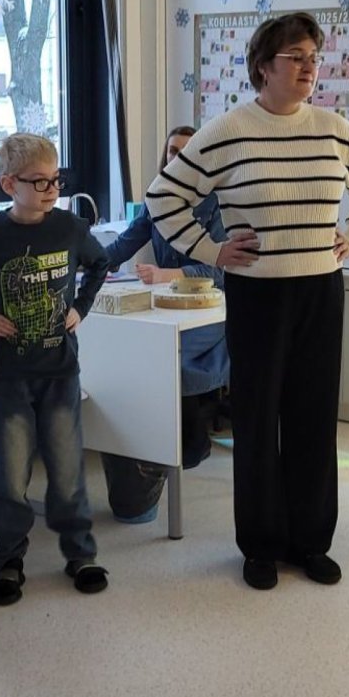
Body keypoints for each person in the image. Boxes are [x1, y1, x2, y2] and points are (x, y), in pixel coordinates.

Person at [145, 12, 349, 590]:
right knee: (257, 421)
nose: (309, 67)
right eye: (295, 57)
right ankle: (259, 545)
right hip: (257, 293)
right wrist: (212, 249)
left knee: (313, 418)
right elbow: (164, 197)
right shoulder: (228, 130)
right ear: (262, 66)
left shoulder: (334, 129)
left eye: (314, 58)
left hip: (320, 290)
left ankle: (310, 541)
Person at [0, 133, 111, 606]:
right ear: (9, 184)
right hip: (7, 375)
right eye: (39, 182)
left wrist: (81, 308)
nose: (51, 190)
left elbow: (99, 264)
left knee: (67, 470)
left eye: (56, 180)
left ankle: (80, 554)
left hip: (59, 371)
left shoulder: (69, 228)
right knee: (8, 474)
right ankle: (7, 560)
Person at [100, 125, 229, 524]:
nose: (178, 158)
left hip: (209, 310)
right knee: (132, 350)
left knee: (162, 358)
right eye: (172, 151)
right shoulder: (157, 198)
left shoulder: (218, 205)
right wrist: (88, 266)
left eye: (187, 151)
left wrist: (167, 275)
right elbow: (124, 243)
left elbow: (219, 270)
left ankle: (181, 446)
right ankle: (156, 450)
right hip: (167, 306)